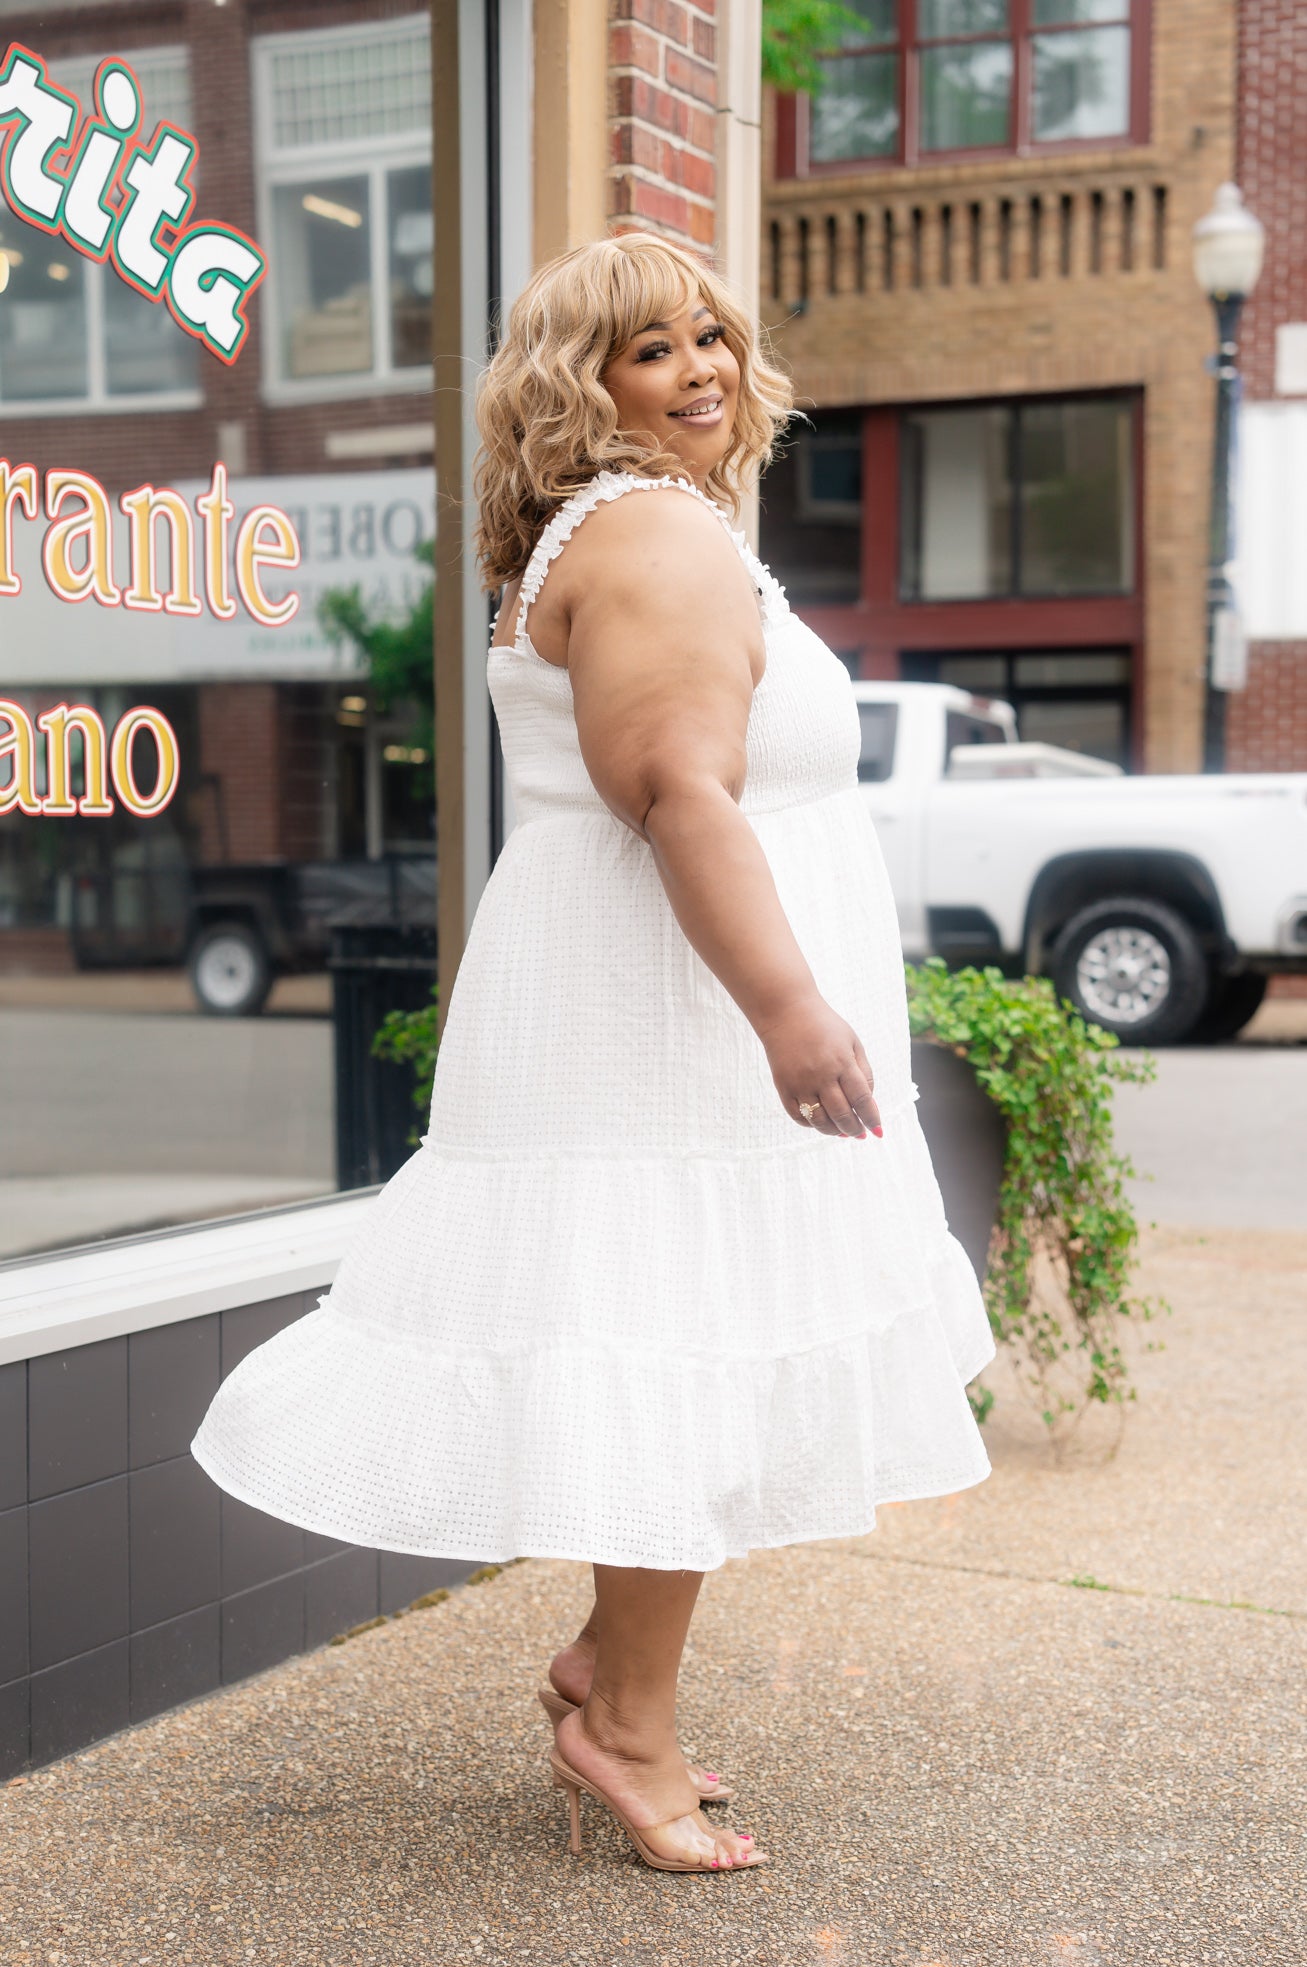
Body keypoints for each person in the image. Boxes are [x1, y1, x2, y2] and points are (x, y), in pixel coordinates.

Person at [191, 230, 995, 1877]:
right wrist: (791, 1011)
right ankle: (627, 1727)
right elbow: (679, 792)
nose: (701, 364)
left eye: (712, 332)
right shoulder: (653, 542)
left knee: (674, 1345)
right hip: (669, 1024)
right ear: (586, 387)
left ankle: (610, 1675)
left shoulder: (635, 530)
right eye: (652, 348)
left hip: (635, 1006)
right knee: (679, 1348)